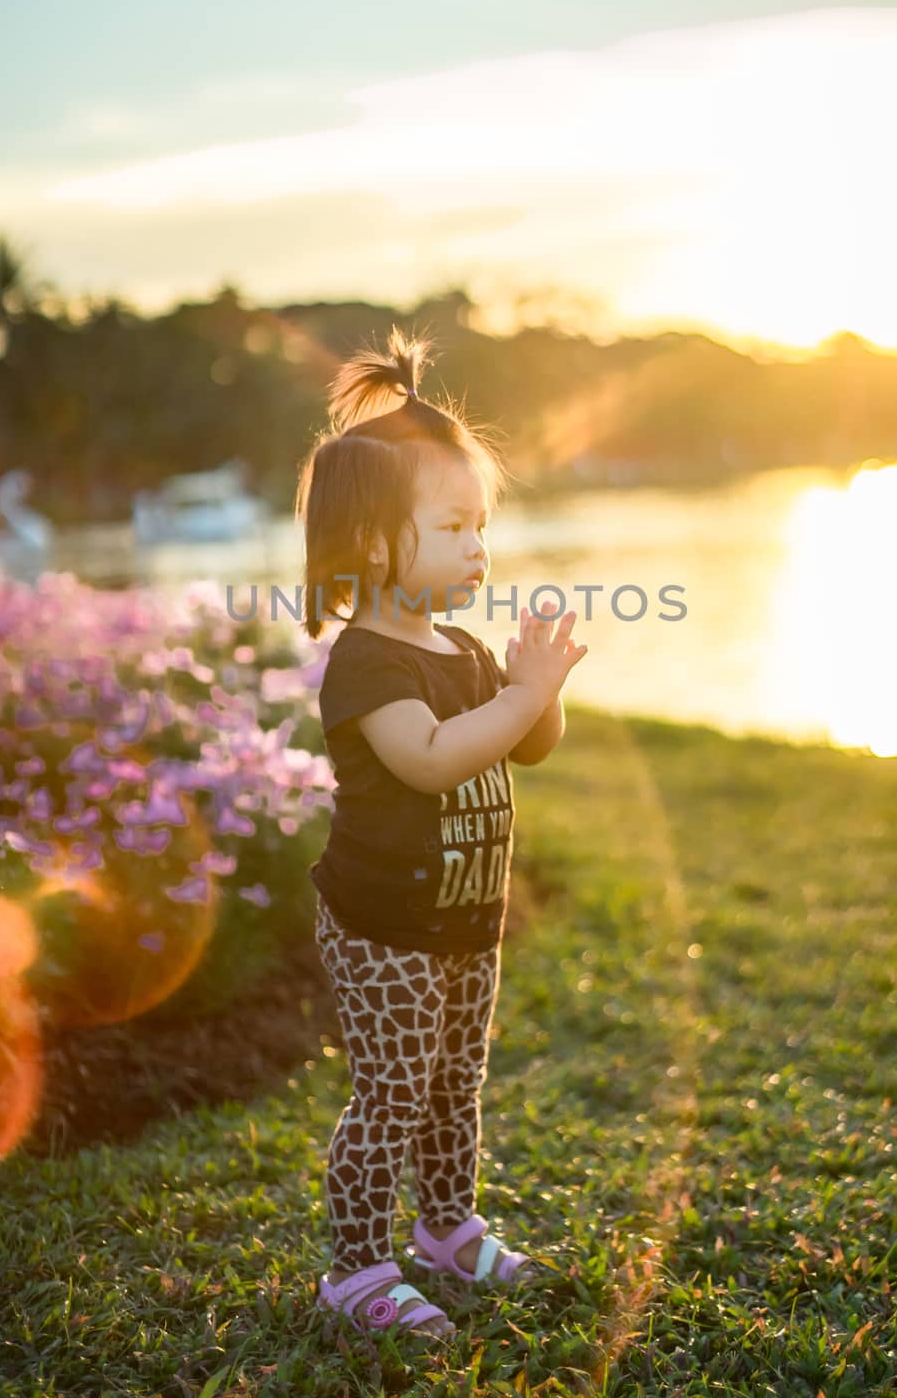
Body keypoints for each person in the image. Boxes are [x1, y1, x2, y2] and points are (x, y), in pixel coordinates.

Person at [295, 325, 588, 1347]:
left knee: (454, 1081)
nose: (479, 547)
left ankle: (445, 1224)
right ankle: (356, 1268)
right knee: (391, 1091)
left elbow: (527, 746)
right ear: (376, 546)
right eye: (456, 526)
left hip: (464, 919)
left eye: (481, 527)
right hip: (383, 925)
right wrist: (513, 702)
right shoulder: (367, 664)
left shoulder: (459, 646)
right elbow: (429, 756)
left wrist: (533, 689)